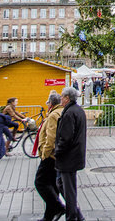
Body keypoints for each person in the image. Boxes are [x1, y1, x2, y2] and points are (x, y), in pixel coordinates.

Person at [55, 87, 86, 221]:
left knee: (68, 189)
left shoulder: (69, 113)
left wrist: (58, 151)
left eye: (62, 96)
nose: (60, 99)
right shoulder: (78, 110)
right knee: (62, 184)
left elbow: (66, 137)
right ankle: (76, 214)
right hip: (75, 154)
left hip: (68, 157)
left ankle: (72, 216)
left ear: (67, 98)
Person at [34, 93, 65, 221]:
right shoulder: (62, 111)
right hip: (58, 156)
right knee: (51, 184)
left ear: (51, 104)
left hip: (50, 155)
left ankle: (59, 207)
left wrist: (45, 153)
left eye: (47, 103)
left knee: (40, 182)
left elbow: (51, 137)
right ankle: (49, 216)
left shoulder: (53, 115)